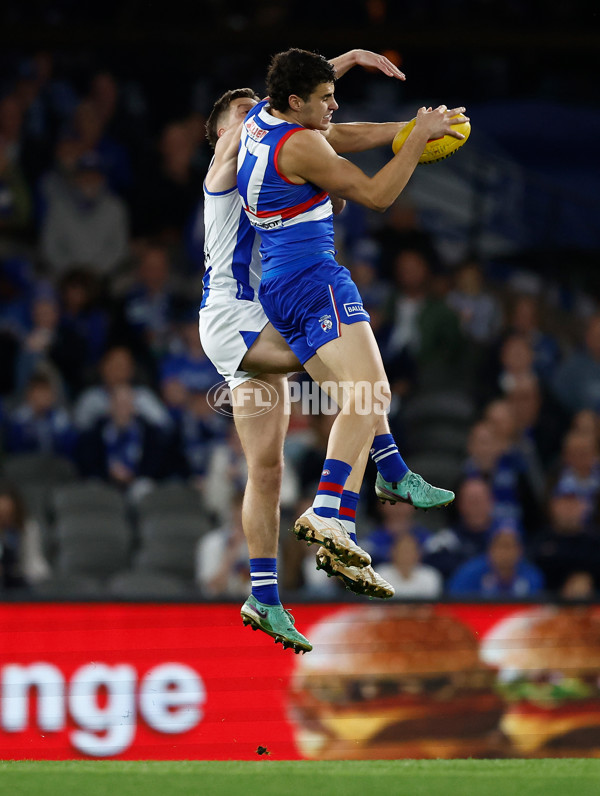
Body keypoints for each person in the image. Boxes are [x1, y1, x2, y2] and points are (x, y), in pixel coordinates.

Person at [202, 49, 407, 653]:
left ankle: (263, 596)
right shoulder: (225, 158)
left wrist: (343, 63)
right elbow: (289, 113)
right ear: (218, 132)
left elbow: (321, 124)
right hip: (233, 321)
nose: (253, 117)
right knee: (360, 378)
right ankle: (379, 479)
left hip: (255, 318)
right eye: (240, 112)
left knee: (266, 470)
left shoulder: (267, 158)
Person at [237, 50, 462, 581]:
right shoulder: (302, 146)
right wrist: (417, 140)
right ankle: (327, 508)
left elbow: (339, 127)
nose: (334, 103)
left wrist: (362, 73)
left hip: (278, 288)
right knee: (372, 394)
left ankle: (385, 482)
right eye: (325, 99)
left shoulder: (262, 119)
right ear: (297, 103)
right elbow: (378, 195)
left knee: (353, 400)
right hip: (315, 281)